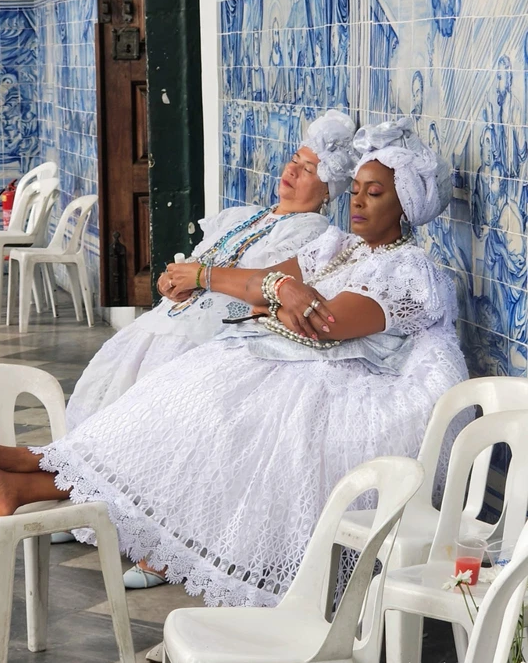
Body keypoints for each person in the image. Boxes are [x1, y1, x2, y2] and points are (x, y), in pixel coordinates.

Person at [0, 117, 468, 612]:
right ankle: (40, 464)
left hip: (353, 388)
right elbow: (262, 283)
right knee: (170, 394)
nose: (357, 201)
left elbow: (326, 322)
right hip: (288, 358)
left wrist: (275, 299)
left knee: (209, 417)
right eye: (355, 189)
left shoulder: (411, 271)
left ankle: (32, 480)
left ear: (405, 205)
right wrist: (265, 288)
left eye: (374, 193)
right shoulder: (340, 246)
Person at [65, 109, 358, 433]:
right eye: (294, 160)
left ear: (327, 190)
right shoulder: (243, 217)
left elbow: (264, 284)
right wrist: (170, 281)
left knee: (146, 424)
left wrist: (200, 277)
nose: (292, 170)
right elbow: (196, 262)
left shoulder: (310, 230)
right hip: (163, 325)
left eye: (308, 170)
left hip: (206, 339)